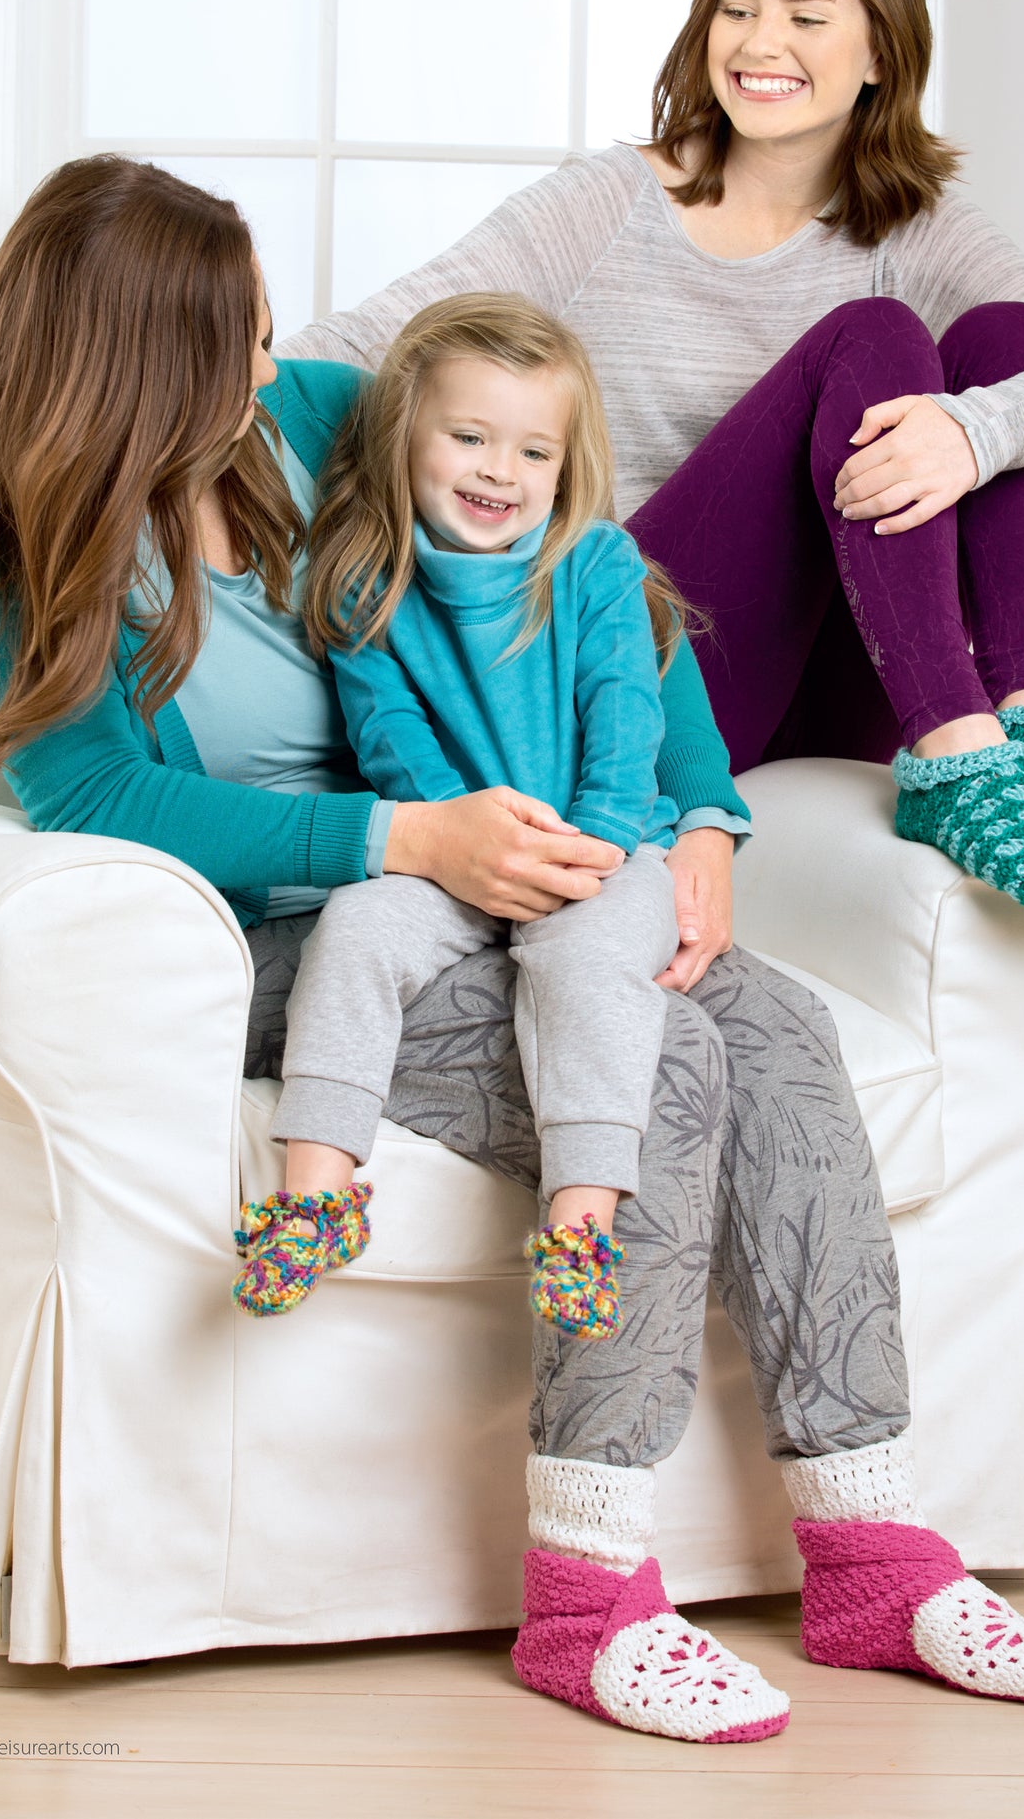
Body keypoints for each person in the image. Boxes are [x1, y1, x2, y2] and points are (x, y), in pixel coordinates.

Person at [0, 155, 1024, 1745]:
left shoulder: (318, 423)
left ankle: (869, 1531)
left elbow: (590, 564)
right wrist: (402, 841)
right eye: (236, 346)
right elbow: (99, 794)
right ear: (138, 367)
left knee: (775, 1027)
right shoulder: (13, 562)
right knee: (660, 1063)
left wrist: (696, 823)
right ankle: (589, 1589)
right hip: (307, 938)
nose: (274, 369)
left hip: (518, 872)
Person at [282, 0, 1024, 927]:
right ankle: (960, 746)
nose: (760, 45)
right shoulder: (612, 200)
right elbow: (375, 340)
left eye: (804, 16)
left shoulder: (917, 230)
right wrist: (201, 376)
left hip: (846, 675)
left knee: (1010, 343)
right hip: (644, 672)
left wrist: (972, 434)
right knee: (875, 336)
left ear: (880, 49)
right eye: (738, 7)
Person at [234, 292, 690, 1339]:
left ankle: (580, 1219)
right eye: (470, 438)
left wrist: (595, 843)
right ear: (406, 437)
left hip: (601, 853)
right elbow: (392, 742)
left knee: (582, 969)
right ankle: (314, 1190)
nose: (500, 472)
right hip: (448, 857)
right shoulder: (363, 577)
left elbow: (625, 715)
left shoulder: (595, 565)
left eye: (534, 451)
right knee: (352, 929)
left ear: (566, 466)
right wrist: (465, 844)